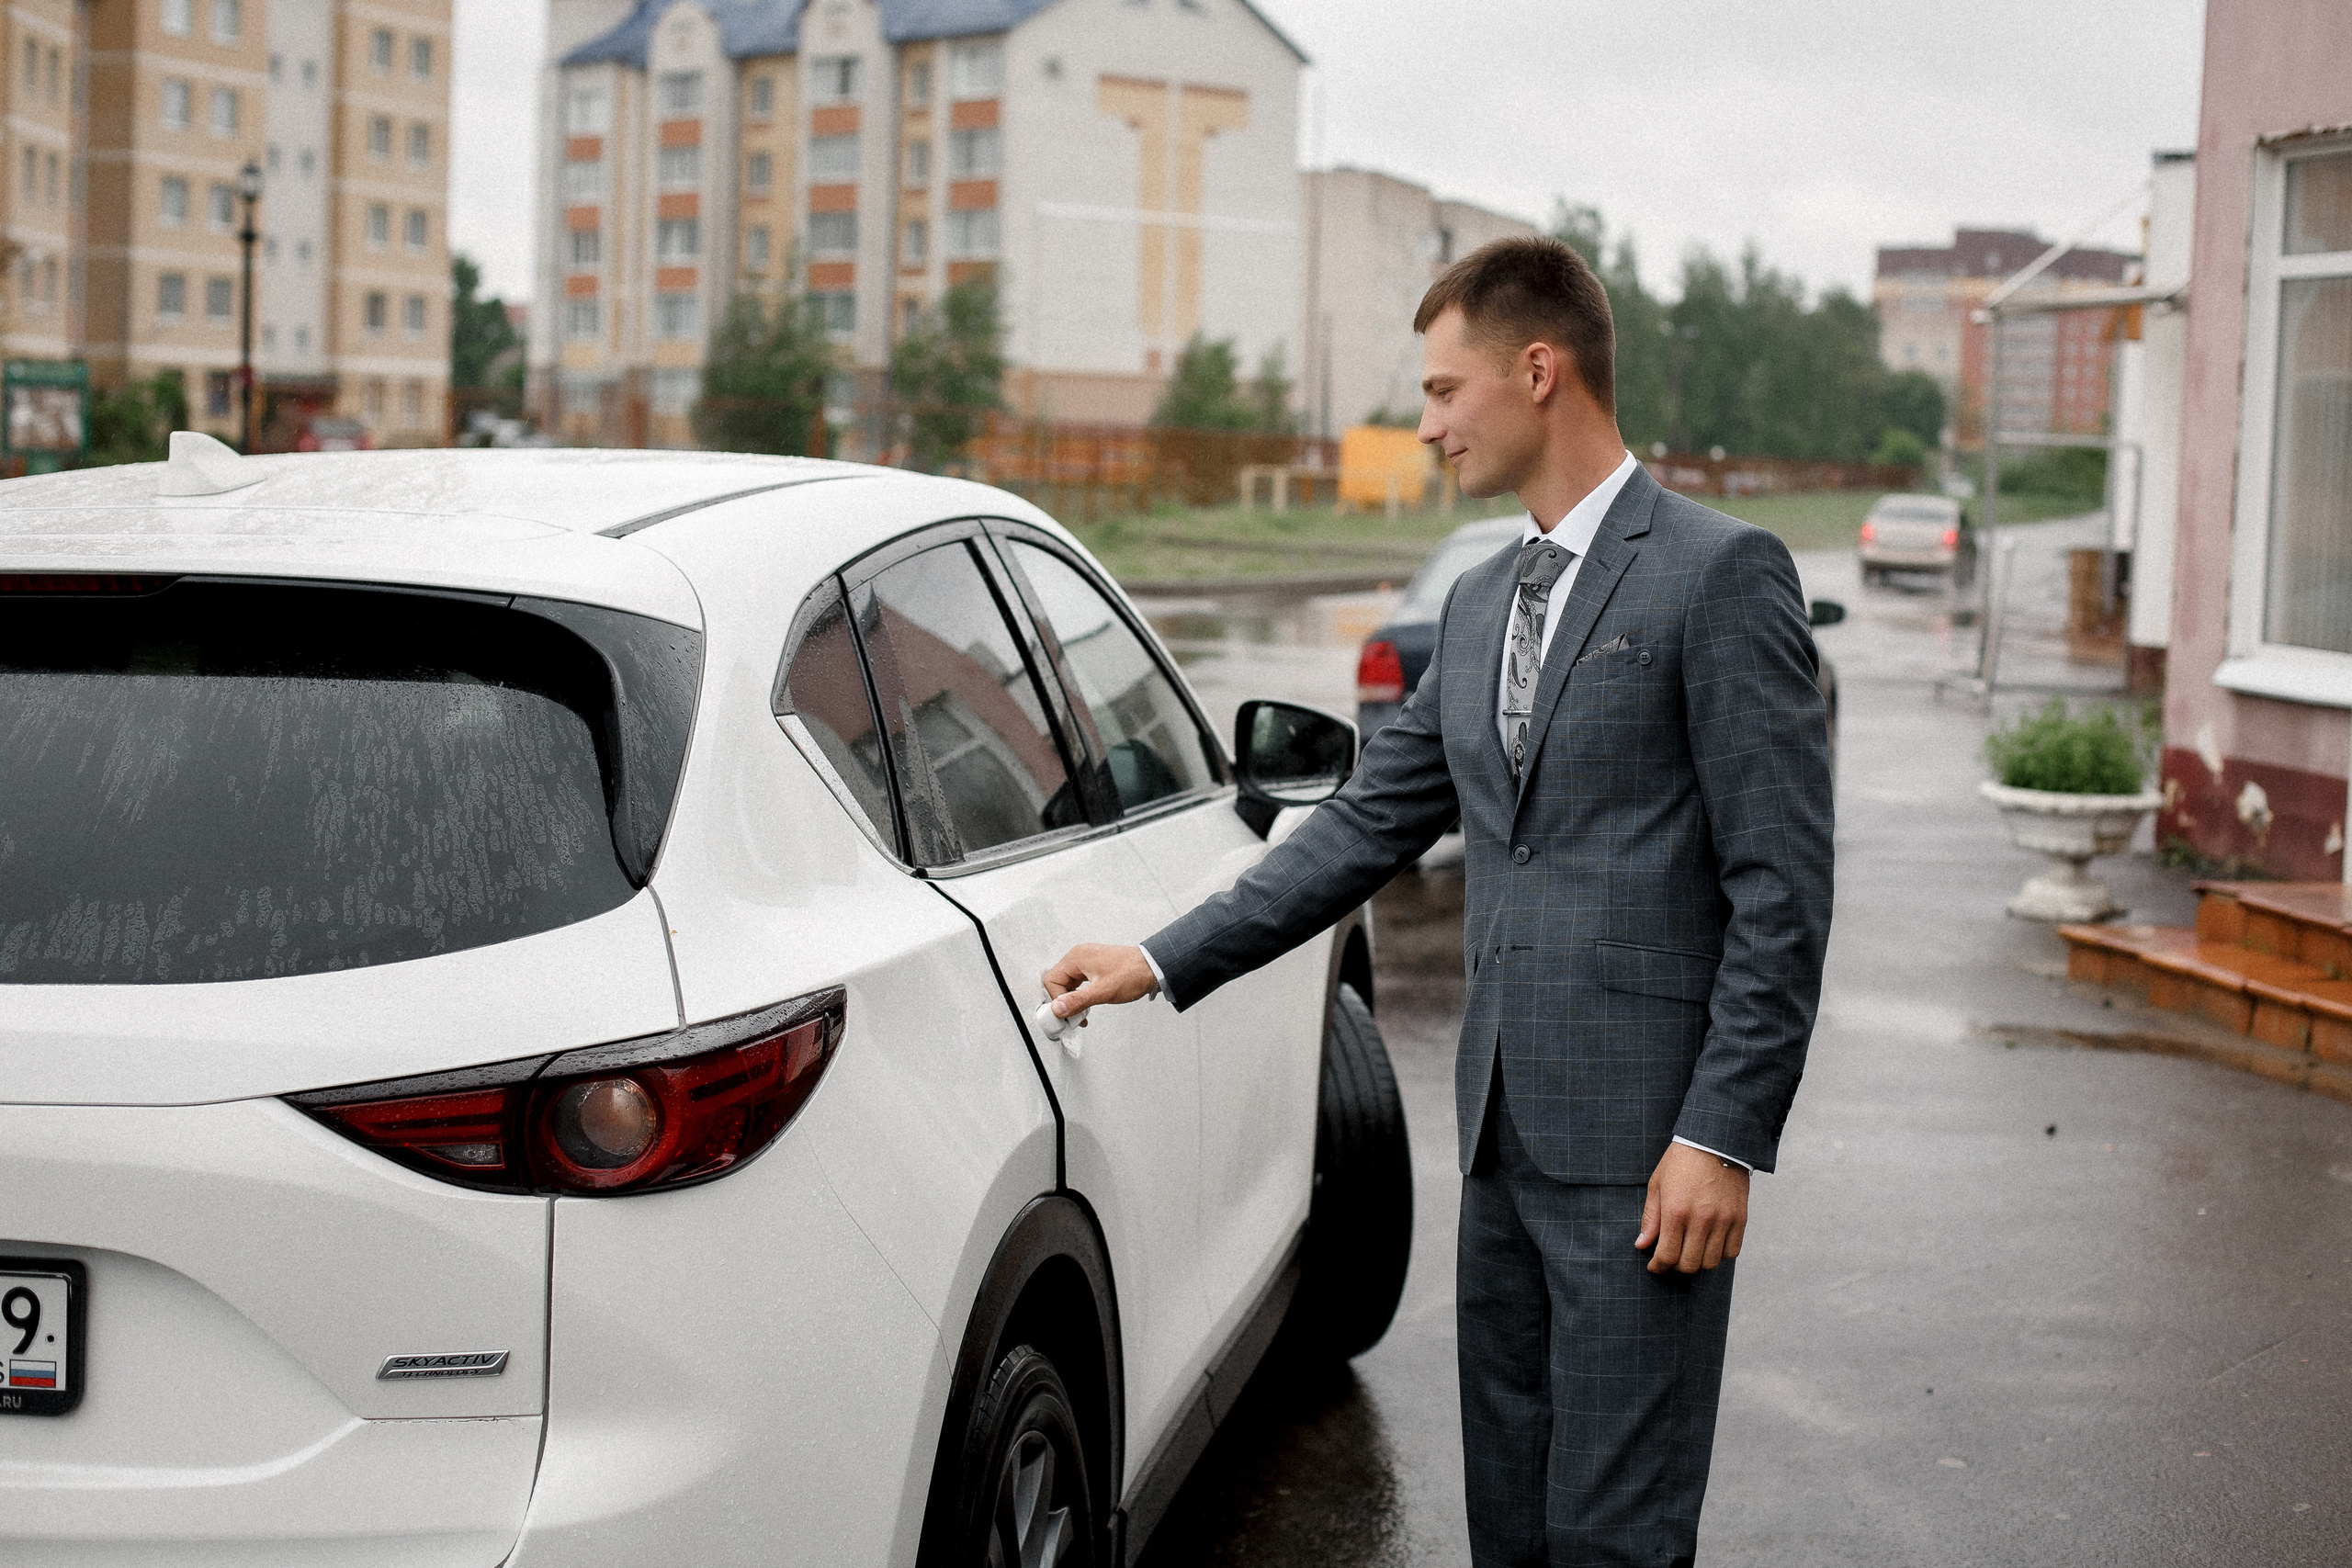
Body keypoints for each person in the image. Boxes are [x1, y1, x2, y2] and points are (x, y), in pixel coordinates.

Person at [1043, 235, 1833, 1568]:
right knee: (1511, 1514)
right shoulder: (1476, 607)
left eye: (1443, 390)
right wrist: (1162, 958)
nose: (1426, 426)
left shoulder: (1719, 572)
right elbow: (1358, 828)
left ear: (1539, 371)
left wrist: (1725, 1133)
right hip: (1499, 1143)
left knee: (1616, 1532)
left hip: (1650, 1155)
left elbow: (1782, 885)